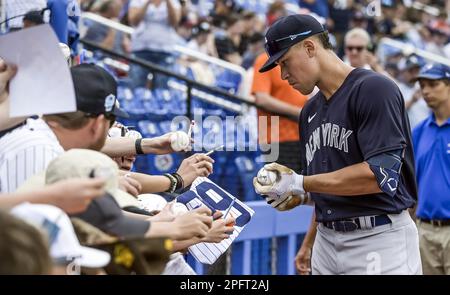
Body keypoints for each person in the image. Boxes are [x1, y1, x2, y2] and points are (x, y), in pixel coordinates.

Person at [253, 14, 421, 275]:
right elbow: (328, 186)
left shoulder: (374, 89)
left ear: (310, 47)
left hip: (378, 237)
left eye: (285, 62)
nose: (283, 75)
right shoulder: (309, 111)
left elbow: (379, 177)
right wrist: (299, 197)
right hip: (326, 239)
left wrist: (301, 183)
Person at [412, 63, 450, 275]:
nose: (426, 91)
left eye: (433, 84)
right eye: (422, 85)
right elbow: (413, 183)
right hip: (424, 229)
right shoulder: (418, 132)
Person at [251, 52, 308, 173]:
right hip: (274, 140)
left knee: (301, 187)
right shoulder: (264, 60)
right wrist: (299, 113)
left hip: (300, 136)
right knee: (279, 188)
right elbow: (262, 99)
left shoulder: (297, 58)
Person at [127, 0, 182, 89]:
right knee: (136, 86)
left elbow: (174, 22)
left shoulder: (174, 2)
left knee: (161, 87)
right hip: (141, 49)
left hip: (164, 50)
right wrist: (147, 2)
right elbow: (133, 21)